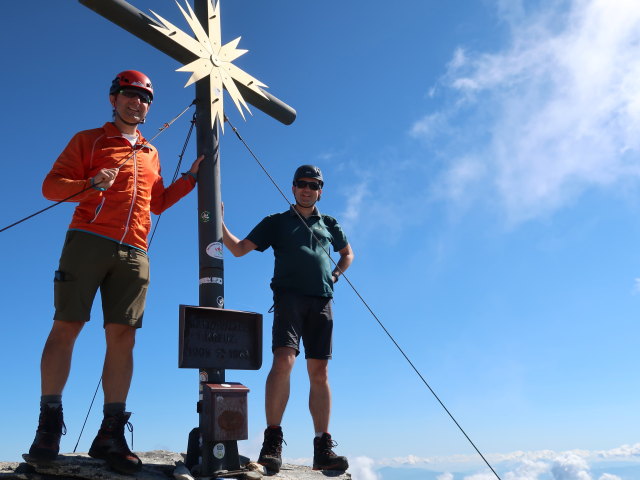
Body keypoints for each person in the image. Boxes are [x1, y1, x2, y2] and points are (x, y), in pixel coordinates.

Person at [27, 70, 204, 474]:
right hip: (88, 239)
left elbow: (156, 202)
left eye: (144, 98)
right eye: (129, 94)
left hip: (135, 251)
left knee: (122, 337)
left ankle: (110, 433)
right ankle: (49, 424)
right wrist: (89, 184)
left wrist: (191, 179)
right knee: (67, 325)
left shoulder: (150, 152)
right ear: (113, 99)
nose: (137, 102)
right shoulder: (89, 140)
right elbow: (50, 187)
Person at [222, 165, 354, 473]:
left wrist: (335, 274)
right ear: (293, 188)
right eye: (302, 184)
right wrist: (220, 222)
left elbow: (347, 253)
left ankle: (322, 448)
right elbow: (240, 249)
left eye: (314, 185)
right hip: (288, 299)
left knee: (319, 372)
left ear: (320, 190)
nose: (307, 189)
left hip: (321, 301)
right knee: (284, 361)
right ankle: (272, 443)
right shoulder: (276, 222)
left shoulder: (329, 223)